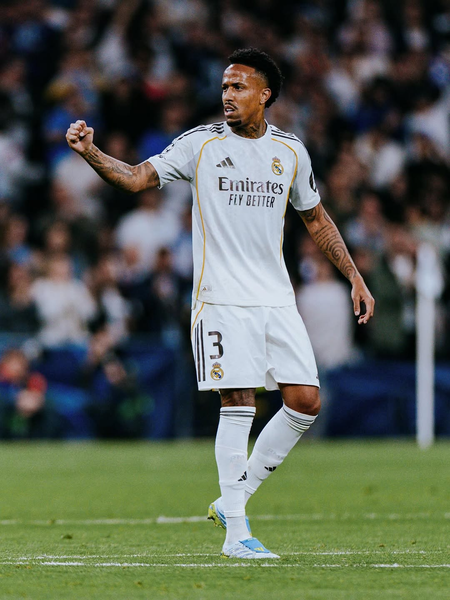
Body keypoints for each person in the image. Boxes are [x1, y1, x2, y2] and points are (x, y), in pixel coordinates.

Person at [66, 48, 375, 560]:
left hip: (276, 298)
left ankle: (234, 498)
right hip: (221, 298)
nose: (227, 95)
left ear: (265, 94)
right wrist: (91, 153)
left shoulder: (291, 151)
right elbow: (137, 177)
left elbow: (316, 219)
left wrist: (355, 276)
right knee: (239, 402)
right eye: (225, 86)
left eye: (239, 87)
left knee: (305, 401)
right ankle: (237, 534)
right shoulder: (201, 144)